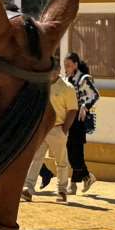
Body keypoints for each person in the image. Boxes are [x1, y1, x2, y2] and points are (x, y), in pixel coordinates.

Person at [22, 67, 79, 203]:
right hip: (41, 129)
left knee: (61, 161)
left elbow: (72, 110)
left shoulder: (67, 88)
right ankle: (28, 189)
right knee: (36, 158)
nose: (51, 72)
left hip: (57, 128)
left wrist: (64, 129)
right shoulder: (42, 85)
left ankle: (62, 190)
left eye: (53, 70)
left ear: (58, 70)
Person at [63, 52, 99, 195]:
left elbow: (95, 94)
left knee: (75, 152)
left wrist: (85, 106)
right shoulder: (66, 78)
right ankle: (85, 178)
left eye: (69, 65)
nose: (66, 68)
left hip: (78, 119)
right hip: (68, 117)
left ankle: (76, 184)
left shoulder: (83, 79)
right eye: (65, 66)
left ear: (76, 65)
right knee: (71, 151)